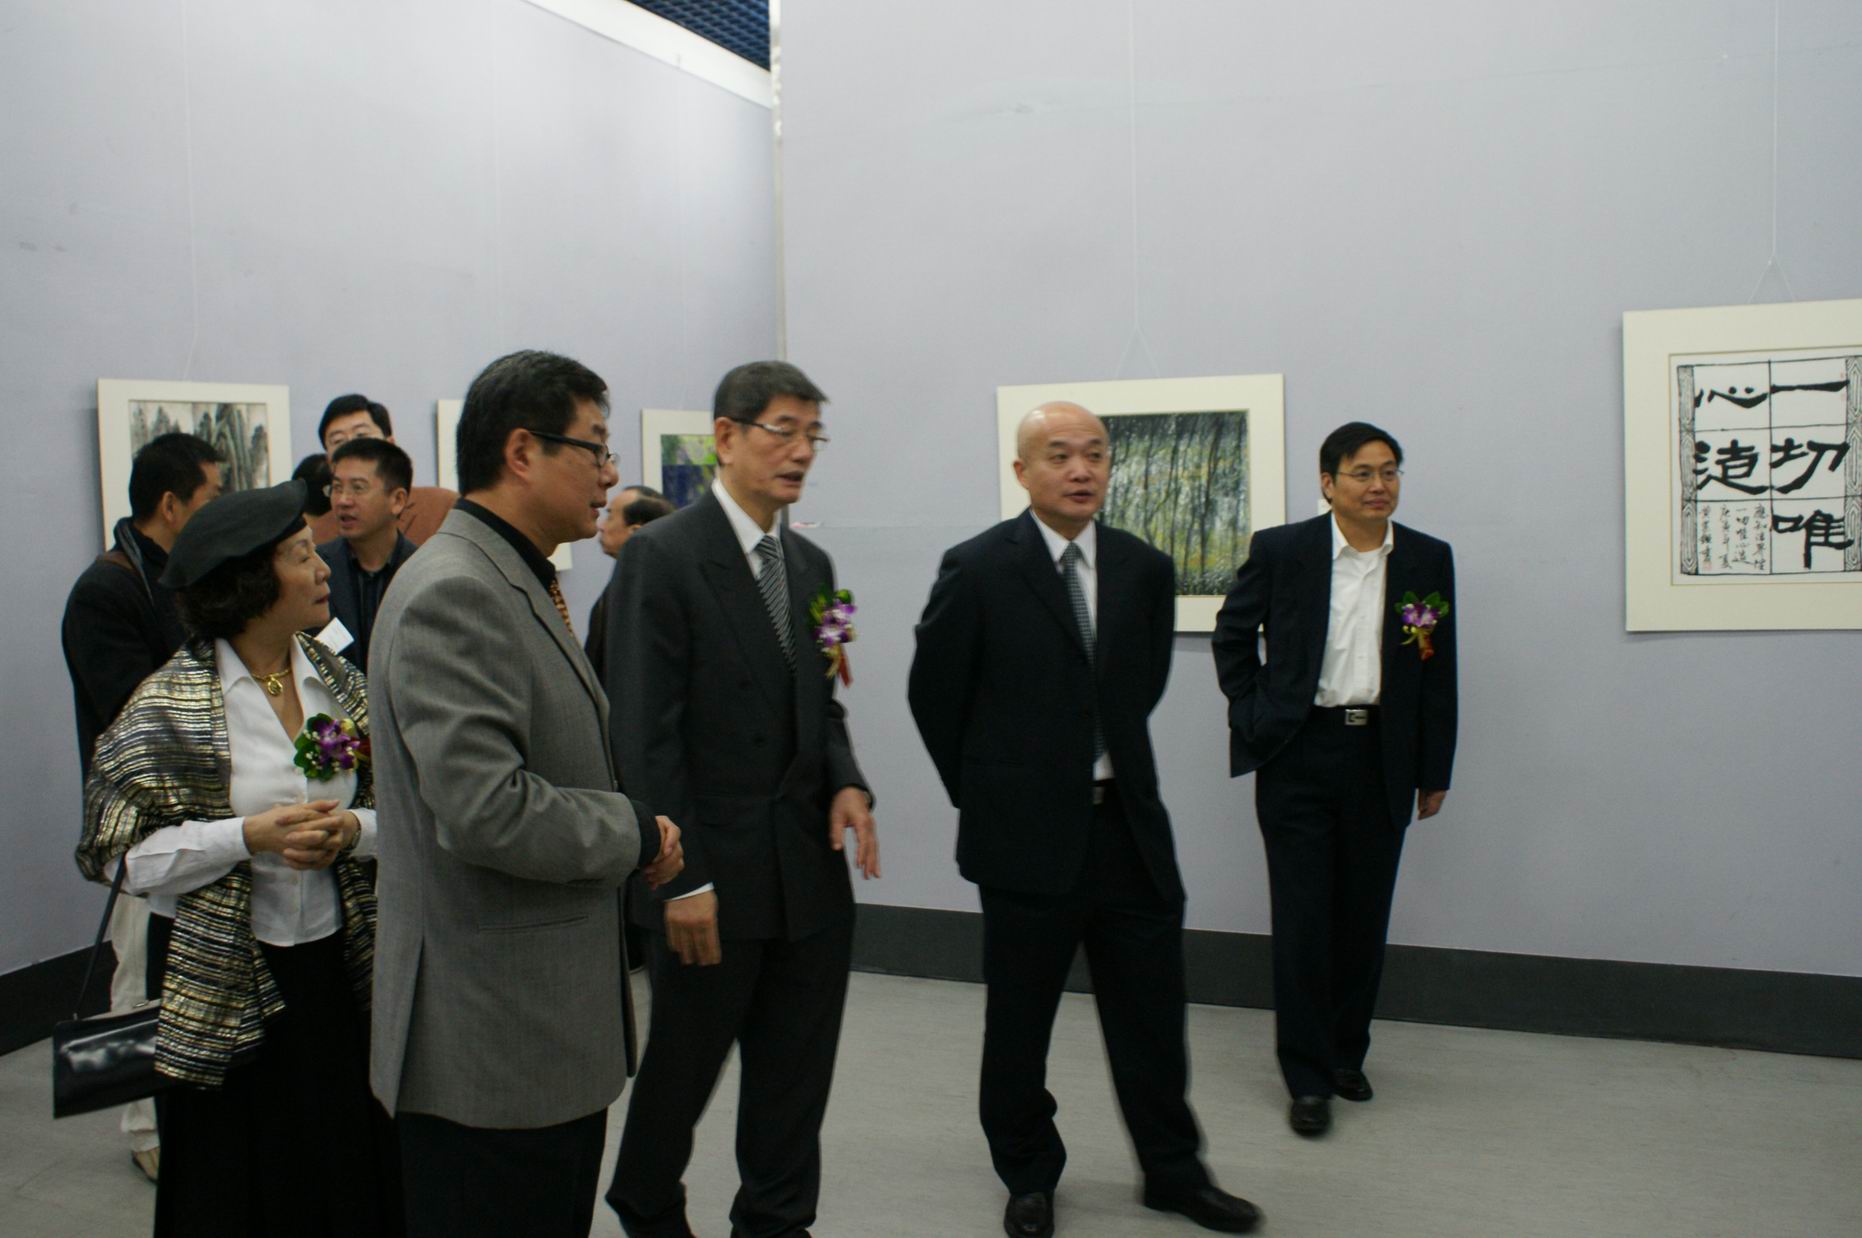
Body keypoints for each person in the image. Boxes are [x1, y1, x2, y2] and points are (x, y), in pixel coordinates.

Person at [909, 403, 1261, 1237]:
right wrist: (991, 795)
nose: (1080, 470)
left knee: (1153, 1019)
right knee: (1019, 1022)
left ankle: (1173, 1172)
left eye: (1095, 454)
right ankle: (1029, 1173)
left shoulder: (1143, 566)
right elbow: (936, 696)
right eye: (1059, 454)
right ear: (1022, 471)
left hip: (1126, 829)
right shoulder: (978, 566)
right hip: (1022, 837)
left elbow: (1137, 690)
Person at [367, 350, 683, 1238]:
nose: (610, 474)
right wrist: (632, 831)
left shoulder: (513, 574)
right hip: (490, 1049)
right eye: (595, 447)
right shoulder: (458, 591)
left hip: (532, 1035)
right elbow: (487, 810)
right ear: (521, 452)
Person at [75, 479, 401, 1237]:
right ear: (250, 584)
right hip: (217, 975)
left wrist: (353, 831)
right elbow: (120, 858)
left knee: (340, 1158)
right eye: (300, 555)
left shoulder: (339, 683)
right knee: (232, 1172)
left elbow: (402, 813)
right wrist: (246, 837)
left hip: (333, 966)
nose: (322, 567)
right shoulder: (170, 705)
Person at [605, 360, 878, 1238]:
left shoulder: (814, 564)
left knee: (796, 1078)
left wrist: (848, 779)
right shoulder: (660, 556)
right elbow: (643, 735)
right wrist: (678, 880)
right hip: (709, 873)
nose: (801, 452)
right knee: (682, 1072)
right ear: (725, 436)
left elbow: (824, 700)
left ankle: (777, 1220)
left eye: (812, 436)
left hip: (808, 871)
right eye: (782, 431)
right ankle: (647, 1203)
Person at [1211, 421, 1458, 1138]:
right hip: (1299, 754)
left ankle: (1347, 1054)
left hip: (1382, 756)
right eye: (1363, 473)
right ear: (1328, 483)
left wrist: (1433, 768)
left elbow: (1437, 667)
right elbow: (1233, 634)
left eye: (1390, 471)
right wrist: (1255, 713)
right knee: (1303, 921)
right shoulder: (1284, 550)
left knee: (1363, 917)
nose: (1379, 486)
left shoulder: (1426, 558)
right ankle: (1307, 1076)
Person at [60, 430, 224, 1183]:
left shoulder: (185, 580)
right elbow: (133, 715)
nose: (219, 509)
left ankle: (187, 1110)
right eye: (211, 496)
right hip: (141, 822)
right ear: (171, 504)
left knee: (189, 971)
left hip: (200, 815)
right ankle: (143, 1127)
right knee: (137, 977)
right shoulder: (107, 591)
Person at [316, 438, 418, 673]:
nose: (343, 501)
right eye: (337, 488)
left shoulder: (423, 570)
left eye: (358, 488)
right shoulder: (316, 570)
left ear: (397, 500)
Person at [306, 395, 457, 544]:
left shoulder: (444, 507)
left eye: (361, 436)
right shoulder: (318, 536)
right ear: (328, 460)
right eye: (338, 441)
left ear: (390, 444)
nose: (352, 449)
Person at [585, 485, 673, 678]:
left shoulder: (643, 597)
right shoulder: (627, 584)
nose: (601, 526)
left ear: (635, 532)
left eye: (610, 516)